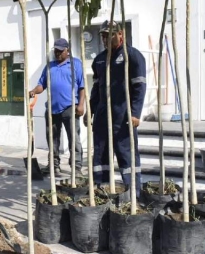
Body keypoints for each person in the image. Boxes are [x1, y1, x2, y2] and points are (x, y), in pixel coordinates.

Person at [89, 21, 146, 194]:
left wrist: (135, 113)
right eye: (104, 36)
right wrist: (90, 111)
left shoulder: (133, 56)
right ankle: (101, 191)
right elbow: (96, 90)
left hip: (123, 118)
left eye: (110, 34)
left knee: (127, 156)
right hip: (102, 117)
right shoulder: (99, 60)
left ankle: (134, 194)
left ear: (120, 34)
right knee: (100, 156)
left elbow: (139, 87)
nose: (106, 39)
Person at [28, 38, 85, 177]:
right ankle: (53, 165)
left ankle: (76, 167)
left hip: (70, 107)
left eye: (61, 51)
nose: (58, 53)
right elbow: (42, 84)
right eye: (56, 50)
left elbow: (82, 86)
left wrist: (81, 105)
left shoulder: (75, 64)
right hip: (52, 109)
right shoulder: (49, 66)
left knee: (74, 138)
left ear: (68, 50)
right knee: (52, 138)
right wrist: (34, 91)